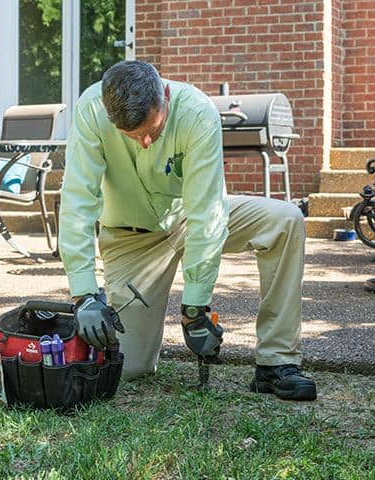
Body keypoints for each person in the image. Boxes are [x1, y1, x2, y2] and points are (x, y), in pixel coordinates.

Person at [58, 60, 316, 401]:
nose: (146, 142)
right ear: (110, 115)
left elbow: (207, 214)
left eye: (154, 130)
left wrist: (195, 310)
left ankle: (276, 362)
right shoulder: (91, 110)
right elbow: (78, 201)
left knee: (284, 219)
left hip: (187, 218)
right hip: (130, 238)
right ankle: (131, 348)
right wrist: (85, 296)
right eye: (133, 137)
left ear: (164, 95)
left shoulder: (197, 111)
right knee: (129, 367)